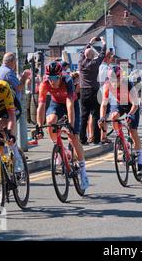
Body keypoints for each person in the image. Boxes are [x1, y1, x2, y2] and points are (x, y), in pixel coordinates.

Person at [35, 62, 89, 190]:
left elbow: (70, 104)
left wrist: (70, 124)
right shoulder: (45, 83)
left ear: (60, 76)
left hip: (71, 103)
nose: (52, 81)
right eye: (50, 78)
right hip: (56, 104)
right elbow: (41, 105)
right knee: (51, 120)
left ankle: (83, 172)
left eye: (54, 78)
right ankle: (60, 150)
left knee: (73, 138)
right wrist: (38, 125)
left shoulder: (68, 80)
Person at [99, 65, 142, 175]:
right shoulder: (107, 85)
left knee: (133, 131)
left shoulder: (128, 84)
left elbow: (135, 104)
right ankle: (119, 137)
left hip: (131, 106)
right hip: (119, 103)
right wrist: (102, 118)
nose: (114, 82)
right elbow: (104, 105)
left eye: (117, 79)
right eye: (112, 79)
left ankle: (140, 162)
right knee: (113, 116)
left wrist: (129, 115)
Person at [78, 37, 107, 145]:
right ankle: (96, 139)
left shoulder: (80, 63)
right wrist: (103, 42)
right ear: (93, 55)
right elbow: (102, 54)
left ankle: (82, 139)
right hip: (94, 90)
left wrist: (90, 42)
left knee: (84, 116)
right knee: (95, 115)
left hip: (83, 91)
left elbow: (82, 52)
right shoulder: (95, 64)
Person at [0, 53, 30, 118]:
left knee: (4, 123)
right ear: (12, 62)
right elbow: (19, 88)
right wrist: (24, 77)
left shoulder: (0, 70)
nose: (15, 64)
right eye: (15, 62)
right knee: (10, 123)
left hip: (1, 103)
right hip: (9, 104)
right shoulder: (8, 72)